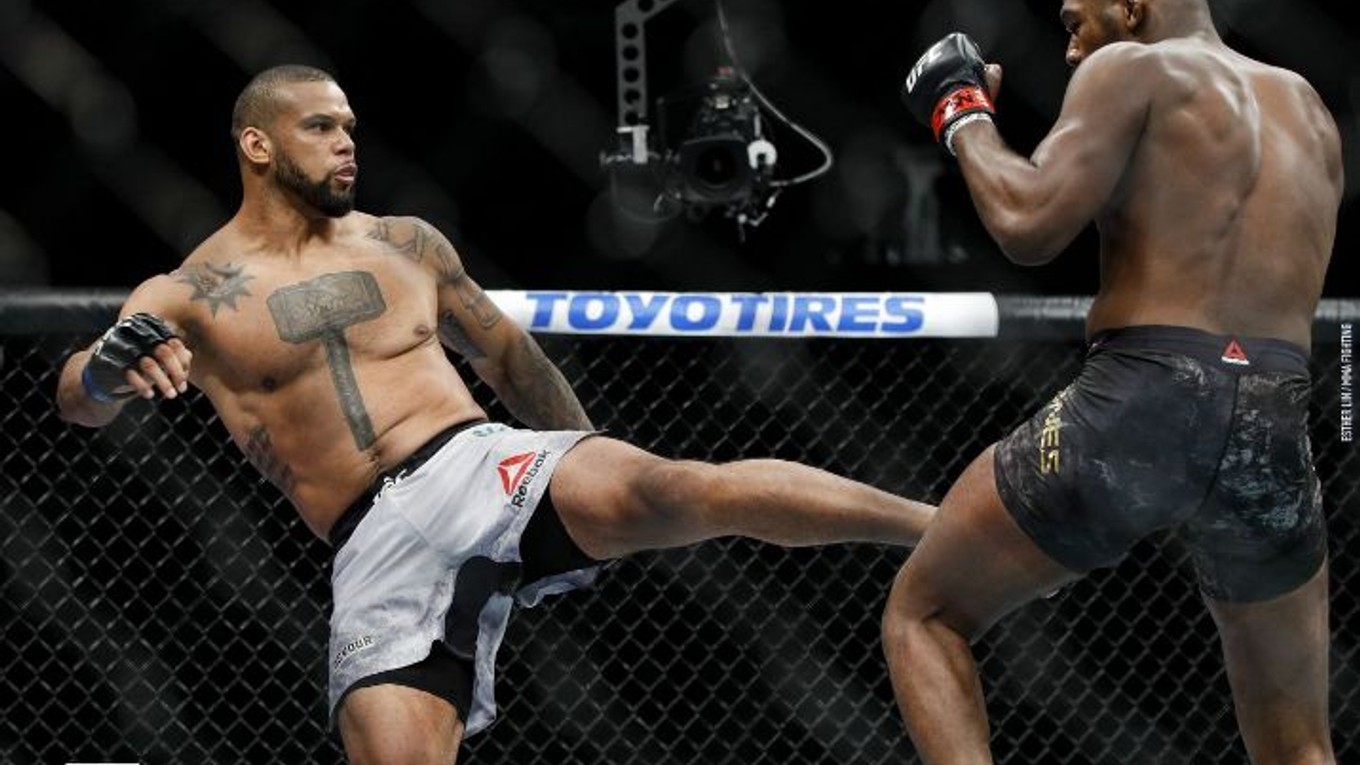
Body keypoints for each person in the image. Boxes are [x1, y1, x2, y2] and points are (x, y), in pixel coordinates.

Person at [54, 64, 935, 764]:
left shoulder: (406, 242)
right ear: (257, 143)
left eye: (350, 126)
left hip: (477, 461)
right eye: (320, 127)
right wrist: (106, 370)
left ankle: (935, 525)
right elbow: (77, 397)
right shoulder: (192, 289)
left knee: (682, 486)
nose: (347, 143)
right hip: (370, 539)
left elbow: (510, 358)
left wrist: (580, 454)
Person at [886, 1, 1343, 763]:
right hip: (1274, 417)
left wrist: (961, 111)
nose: (1071, 53)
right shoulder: (1309, 107)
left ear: (1132, 7)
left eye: (1075, 25)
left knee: (923, 611)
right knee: (1297, 743)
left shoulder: (1132, 67)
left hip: (1146, 394)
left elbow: (1027, 222)